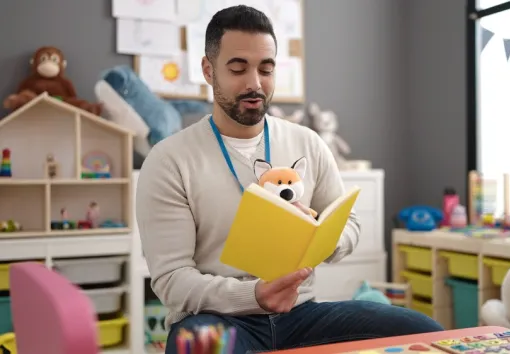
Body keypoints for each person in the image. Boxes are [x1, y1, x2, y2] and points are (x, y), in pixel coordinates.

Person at [136, 5, 444, 353]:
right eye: (238, 68)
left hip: (301, 315)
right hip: (218, 317)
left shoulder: (308, 142)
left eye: (266, 69)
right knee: (200, 345)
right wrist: (254, 295)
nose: (255, 83)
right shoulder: (169, 159)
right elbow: (172, 281)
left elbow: (351, 224)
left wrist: (318, 236)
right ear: (209, 70)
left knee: (424, 331)